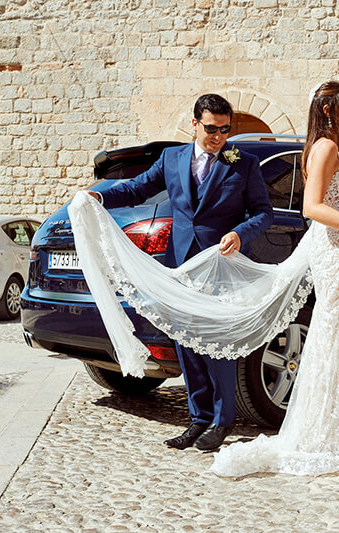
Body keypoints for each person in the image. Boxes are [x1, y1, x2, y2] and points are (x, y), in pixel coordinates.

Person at [210, 81, 339, 477]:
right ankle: (326, 433)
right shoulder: (325, 147)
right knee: (336, 333)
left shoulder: (330, 148)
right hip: (337, 252)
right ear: (329, 111)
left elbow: (332, 200)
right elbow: (312, 208)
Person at [87, 94, 274, 452]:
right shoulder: (171, 159)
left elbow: (263, 212)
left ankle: (222, 421)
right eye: (210, 128)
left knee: (217, 346)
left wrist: (239, 233)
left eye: (224, 130)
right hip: (181, 266)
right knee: (187, 344)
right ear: (194, 124)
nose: (218, 136)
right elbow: (138, 188)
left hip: (221, 267)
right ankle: (198, 419)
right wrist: (101, 198)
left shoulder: (244, 164)